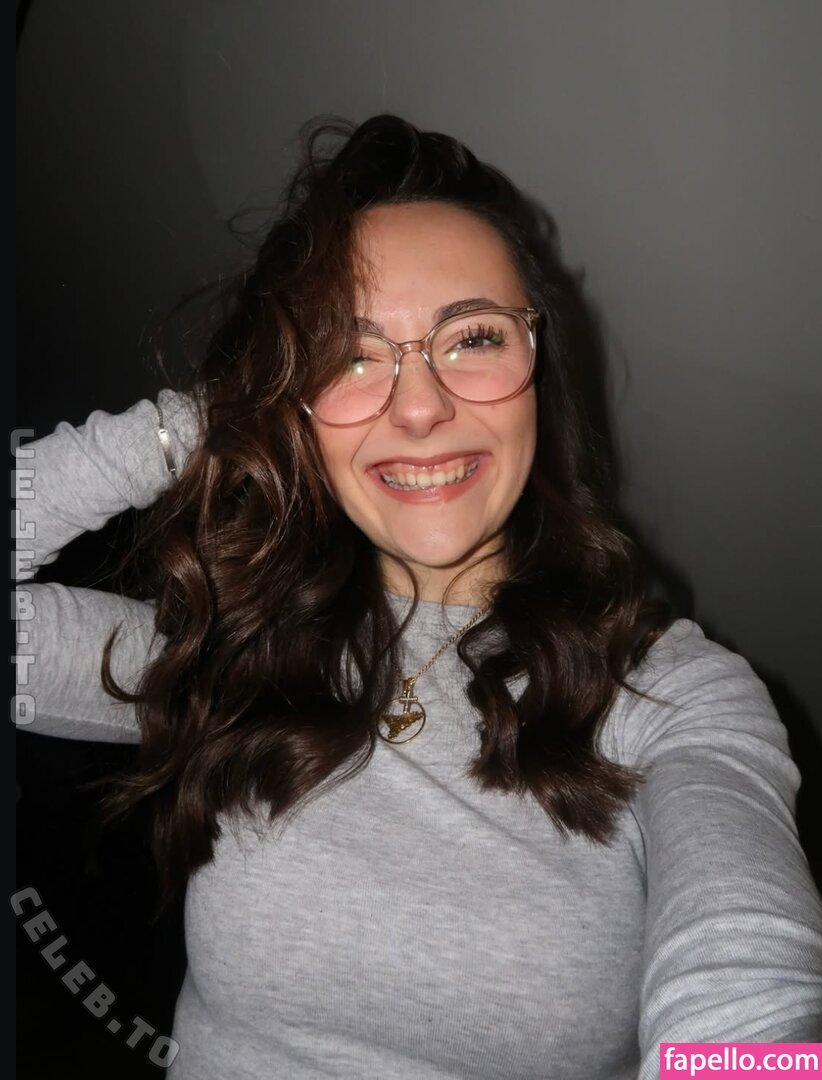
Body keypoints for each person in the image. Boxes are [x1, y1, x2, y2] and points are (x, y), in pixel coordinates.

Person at [15, 114, 822, 1079]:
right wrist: (211, 416)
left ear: (539, 368)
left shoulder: (676, 693)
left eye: (472, 337)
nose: (421, 406)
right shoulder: (238, 648)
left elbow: (748, 993)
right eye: (350, 355)